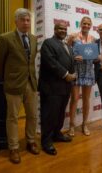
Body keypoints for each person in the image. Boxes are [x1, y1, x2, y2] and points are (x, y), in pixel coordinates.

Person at [0, 8, 39, 164]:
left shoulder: (33, 39)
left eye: (28, 20)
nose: (26, 23)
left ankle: (31, 141)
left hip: (31, 83)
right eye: (23, 20)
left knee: (32, 114)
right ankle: (13, 148)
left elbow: (31, 61)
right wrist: (8, 78)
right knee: (12, 117)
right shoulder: (5, 38)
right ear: (16, 21)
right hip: (13, 84)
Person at [39, 21, 76, 155]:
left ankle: (57, 134)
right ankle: (46, 141)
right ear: (55, 29)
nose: (62, 31)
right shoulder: (48, 43)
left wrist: (73, 74)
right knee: (49, 115)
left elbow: (71, 62)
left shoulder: (67, 45)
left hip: (65, 87)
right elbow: (51, 63)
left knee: (60, 114)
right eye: (60, 28)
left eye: (64, 29)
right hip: (51, 87)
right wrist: (66, 75)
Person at [67, 16, 95, 136]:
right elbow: (66, 52)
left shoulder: (93, 38)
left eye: (88, 24)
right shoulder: (73, 36)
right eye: (84, 23)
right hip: (76, 71)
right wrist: (73, 57)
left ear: (91, 26)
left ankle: (84, 124)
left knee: (86, 100)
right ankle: (72, 125)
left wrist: (95, 57)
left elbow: (93, 55)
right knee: (74, 99)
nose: (86, 26)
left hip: (88, 71)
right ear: (80, 24)